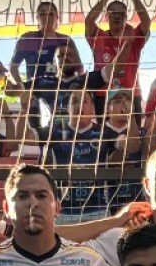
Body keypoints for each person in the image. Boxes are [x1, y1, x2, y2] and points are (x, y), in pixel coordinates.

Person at [48, 88, 118, 216]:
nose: (79, 105)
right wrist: (25, 109)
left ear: (92, 108)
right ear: (68, 108)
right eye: (75, 101)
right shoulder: (54, 131)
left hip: (98, 208)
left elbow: (131, 148)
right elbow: (21, 138)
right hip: (63, 210)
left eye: (84, 101)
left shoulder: (105, 133)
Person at [10, 1, 76, 135]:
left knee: (62, 130)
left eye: (51, 14)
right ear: (37, 18)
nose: (47, 18)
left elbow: (75, 69)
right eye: (43, 14)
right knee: (37, 130)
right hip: (34, 91)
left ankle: (59, 154)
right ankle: (43, 154)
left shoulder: (66, 40)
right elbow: (13, 66)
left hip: (59, 92)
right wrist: (22, 89)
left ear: (57, 17)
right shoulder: (27, 39)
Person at [84, 0, 151, 95]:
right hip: (102, 95)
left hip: (130, 95)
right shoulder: (99, 37)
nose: (117, 16)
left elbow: (146, 21)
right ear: (106, 17)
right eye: (113, 13)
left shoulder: (133, 37)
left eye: (121, 14)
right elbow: (89, 21)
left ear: (126, 18)